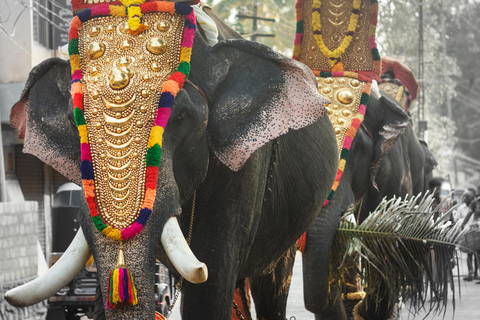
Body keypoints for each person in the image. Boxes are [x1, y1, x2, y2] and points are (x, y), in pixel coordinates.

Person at [454, 190, 478, 281]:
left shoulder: (475, 206)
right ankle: (470, 273)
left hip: (476, 232)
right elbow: (457, 219)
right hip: (466, 233)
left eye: (466, 197)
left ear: (471, 198)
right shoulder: (461, 208)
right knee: (469, 253)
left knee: (476, 254)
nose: (464, 199)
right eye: (463, 196)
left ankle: (476, 273)